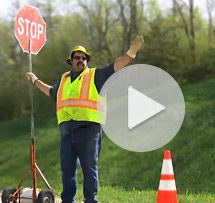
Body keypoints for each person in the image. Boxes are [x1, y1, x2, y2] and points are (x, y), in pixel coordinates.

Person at [26, 35, 144, 203]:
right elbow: (53, 93)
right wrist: (36, 81)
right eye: (77, 58)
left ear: (87, 61)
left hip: (88, 130)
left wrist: (131, 53)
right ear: (71, 61)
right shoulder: (65, 78)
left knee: (89, 168)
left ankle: (90, 200)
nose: (80, 60)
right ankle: (68, 201)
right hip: (66, 131)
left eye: (83, 58)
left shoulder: (95, 75)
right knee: (67, 169)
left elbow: (116, 67)